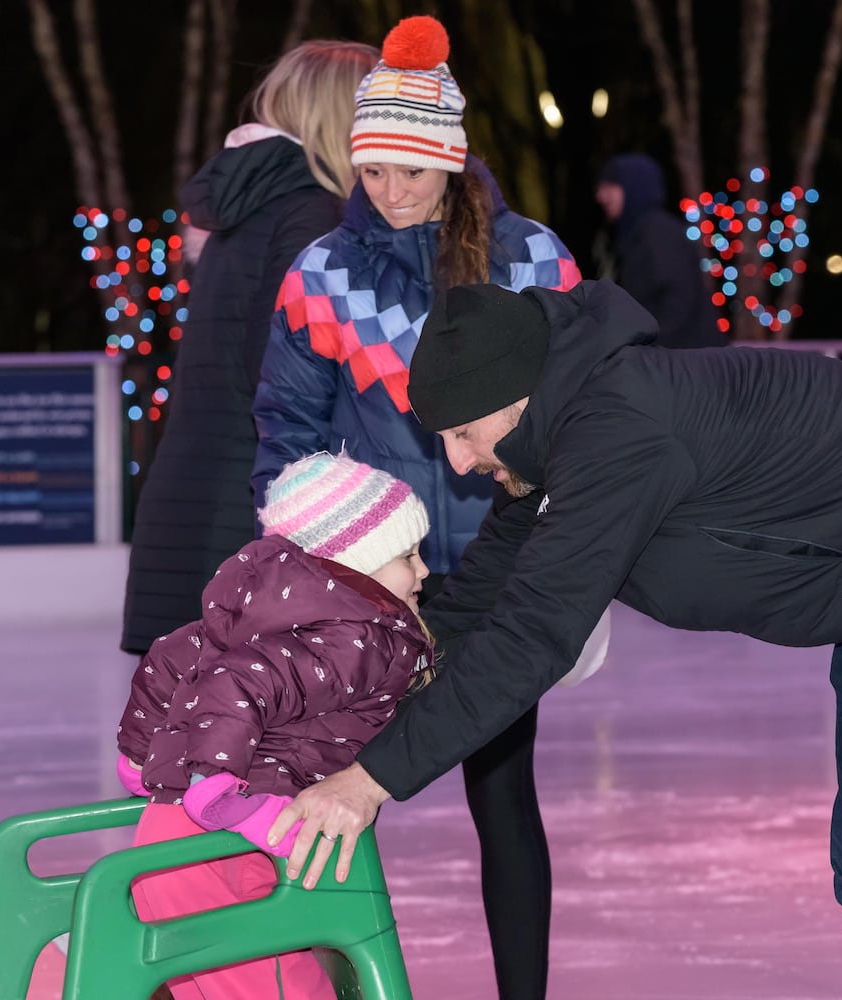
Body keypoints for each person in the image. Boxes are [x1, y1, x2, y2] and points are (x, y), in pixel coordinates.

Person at [273, 280, 842, 1000]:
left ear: (516, 396)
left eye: (463, 433)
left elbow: (532, 637)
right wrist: (337, 708)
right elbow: (473, 607)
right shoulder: (560, 445)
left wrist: (373, 781)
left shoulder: (617, 431)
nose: (457, 462)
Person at [251, 15, 580, 999]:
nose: (389, 193)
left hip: (500, 577)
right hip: (373, 587)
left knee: (502, 794)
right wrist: (304, 573)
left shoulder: (528, 263)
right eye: (373, 171)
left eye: (411, 172)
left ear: (451, 162)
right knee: (340, 803)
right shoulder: (323, 274)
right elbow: (287, 437)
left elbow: (587, 407)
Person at [115, 451, 434, 1000]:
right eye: (407, 555)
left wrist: (139, 758)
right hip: (235, 830)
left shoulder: (263, 618)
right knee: (273, 981)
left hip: (170, 836)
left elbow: (170, 657)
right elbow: (236, 685)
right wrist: (219, 786)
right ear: (356, 563)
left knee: (209, 981)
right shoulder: (356, 640)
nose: (424, 570)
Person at [120, 40, 380, 654]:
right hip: (253, 512)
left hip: (211, 496)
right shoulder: (312, 214)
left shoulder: (257, 207)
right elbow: (289, 377)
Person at [594, 153, 724, 348]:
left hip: (686, 362)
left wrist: (643, 345)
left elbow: (676, 301)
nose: (601, 196)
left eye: (610, 186)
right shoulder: (631, 236)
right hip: (671, 361)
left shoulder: (659, 233)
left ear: (634, 188)